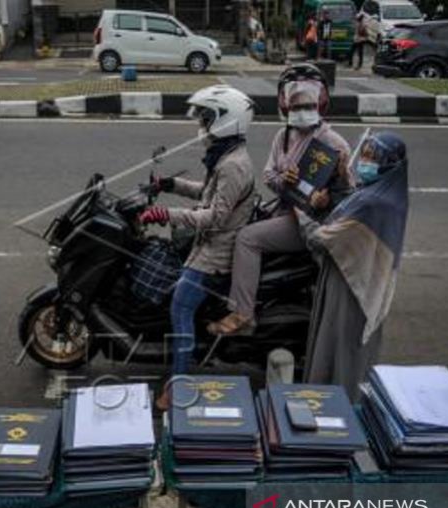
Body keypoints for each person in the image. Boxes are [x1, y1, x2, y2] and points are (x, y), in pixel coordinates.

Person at [207, 64, 354, 336]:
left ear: (321, 103)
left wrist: (332, 191)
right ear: (285, 104)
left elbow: (350, 198)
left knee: (247, 239)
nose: (301, 109)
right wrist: (283, 180)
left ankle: (243, 313)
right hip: (284, 209)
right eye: (296, 104)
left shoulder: (335, 144)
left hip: (309, 222)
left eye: (308, 103)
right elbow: (268, 175)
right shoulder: (283, 137)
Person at [139, 86, 256, 411]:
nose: (201, 125)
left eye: (207, 118)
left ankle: (178, 386)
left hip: (216, 252)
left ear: (226, 121)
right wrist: (169, 185)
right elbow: (207, 194)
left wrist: (166, 213)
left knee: (180, 306)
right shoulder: (226, 156)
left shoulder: (233, 165)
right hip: (206, 245)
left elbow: (215, 217)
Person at [298, 131, 409, 400]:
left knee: (339, 347)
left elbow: (323, 239)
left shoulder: (372, 203)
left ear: (390, 163)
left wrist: (300, 214)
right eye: (366, 155)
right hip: (359, 278)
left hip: (351, 287)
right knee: (344, 346)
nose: (365, 162)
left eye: (373, 158)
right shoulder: (386, 193)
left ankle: (339, 406)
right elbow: (345, 208)